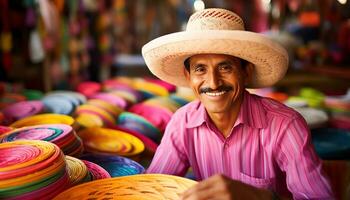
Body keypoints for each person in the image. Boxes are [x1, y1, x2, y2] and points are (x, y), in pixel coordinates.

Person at [141, 8, 334, 200]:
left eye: (225, 67)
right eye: (200, 69)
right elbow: (152, 191)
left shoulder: (285, 126)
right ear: (188, 76)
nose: (213, 82)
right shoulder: (182, 123)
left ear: (246, 72)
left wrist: (258, 197)